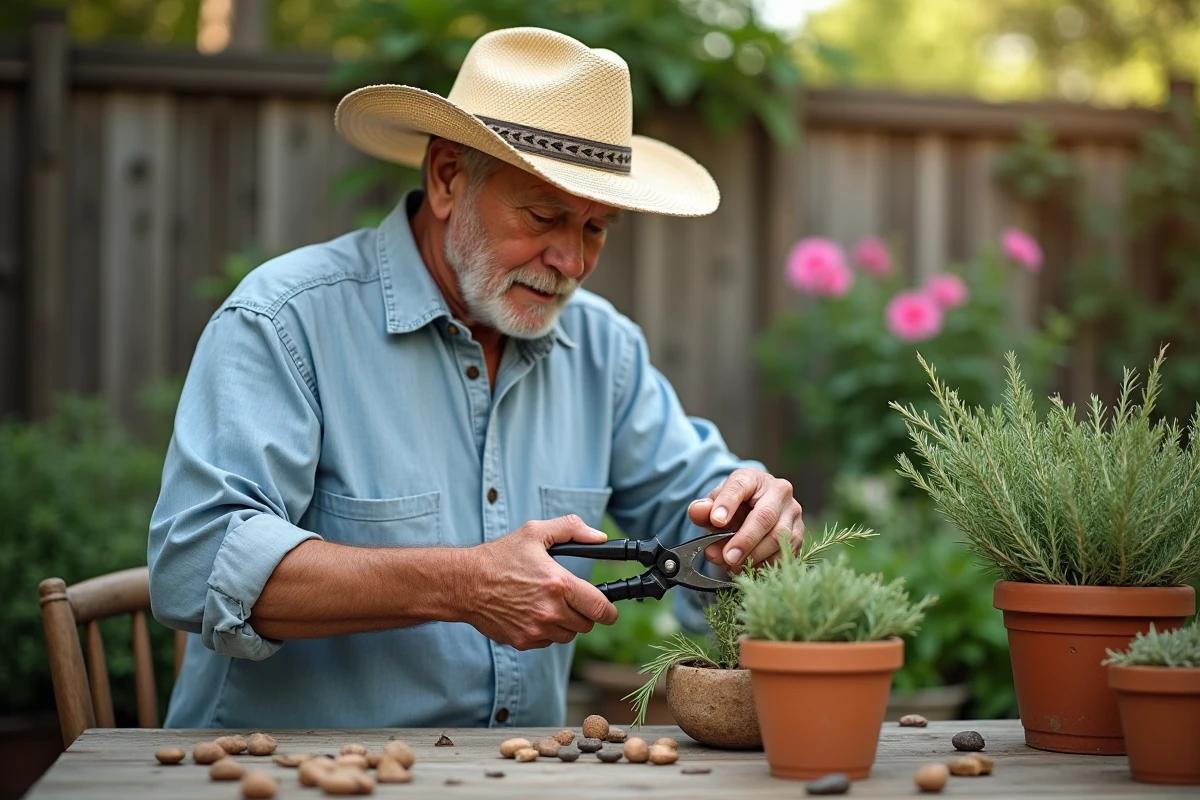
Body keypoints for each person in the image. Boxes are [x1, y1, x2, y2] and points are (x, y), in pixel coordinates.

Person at [148, 26, 804, 730]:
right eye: (545, 215)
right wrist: (461, 583)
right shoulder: (285, 321)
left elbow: (699, 514)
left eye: (596, 228)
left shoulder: (602, 348)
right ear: (447, 178)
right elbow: (195, 563)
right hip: (279, 773)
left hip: (517, 778)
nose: (572, 261)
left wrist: (752, 521)